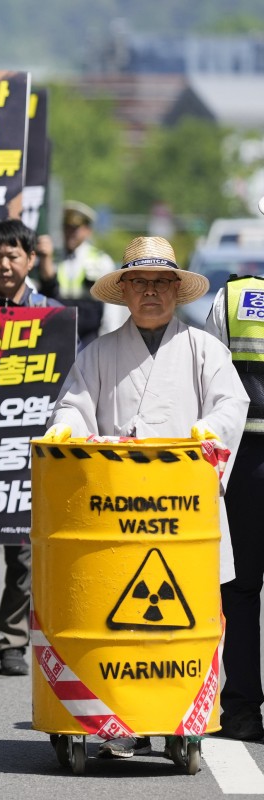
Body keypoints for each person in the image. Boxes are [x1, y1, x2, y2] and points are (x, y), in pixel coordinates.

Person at [45, 235, 247, 758]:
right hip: (115, 517)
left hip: (182, 515)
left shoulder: (206, 349)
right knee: (117, 617)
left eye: (161, 283)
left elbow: (232, 404)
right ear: (125, 291)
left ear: (178, 292)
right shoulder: (98, 354)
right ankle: (119, 715)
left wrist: (204, 433)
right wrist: (68, 429)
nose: (151, 293)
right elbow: (73, 406)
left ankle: (183, 713)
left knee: (183, 623)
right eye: (140, 283)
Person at [0, 219, 64, 679]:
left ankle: (14, 639)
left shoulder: (53, 317)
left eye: (12, 255)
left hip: (28, 455)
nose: (4, 264)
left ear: (30, 260)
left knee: (22, 553)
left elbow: (67, 388)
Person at [204, 273, 264, 740]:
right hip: (244, 462)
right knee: (239, 591)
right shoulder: (232, 296)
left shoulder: (236, 296)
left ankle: (243, 714)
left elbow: (211, 384)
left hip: (246, 466)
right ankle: (242, 711)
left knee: (240, 591)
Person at [36, 200, 125, 347]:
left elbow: (111, 306)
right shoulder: (52, 258)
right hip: (57, 332)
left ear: (87, 230)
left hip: (89, 335)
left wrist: (110, 340)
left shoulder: (100, 261)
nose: (70, 233)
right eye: (67, 228)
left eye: (75, 228)